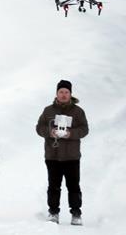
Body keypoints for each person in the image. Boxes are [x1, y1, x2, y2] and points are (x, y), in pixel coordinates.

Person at [35, 80, 89, 226]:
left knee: (73, 186)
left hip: (71, 156)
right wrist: (50, 132)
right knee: (53, 185)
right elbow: (39, 127)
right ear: (57, 94)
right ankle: (53, 212)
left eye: (66, 92)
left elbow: (85, 129)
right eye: (61, 92)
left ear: (70, 94)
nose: (64, 95)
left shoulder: (78, 111)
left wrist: (70, 134)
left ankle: (76, 213)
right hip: (52, 155)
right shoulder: (48, 111)